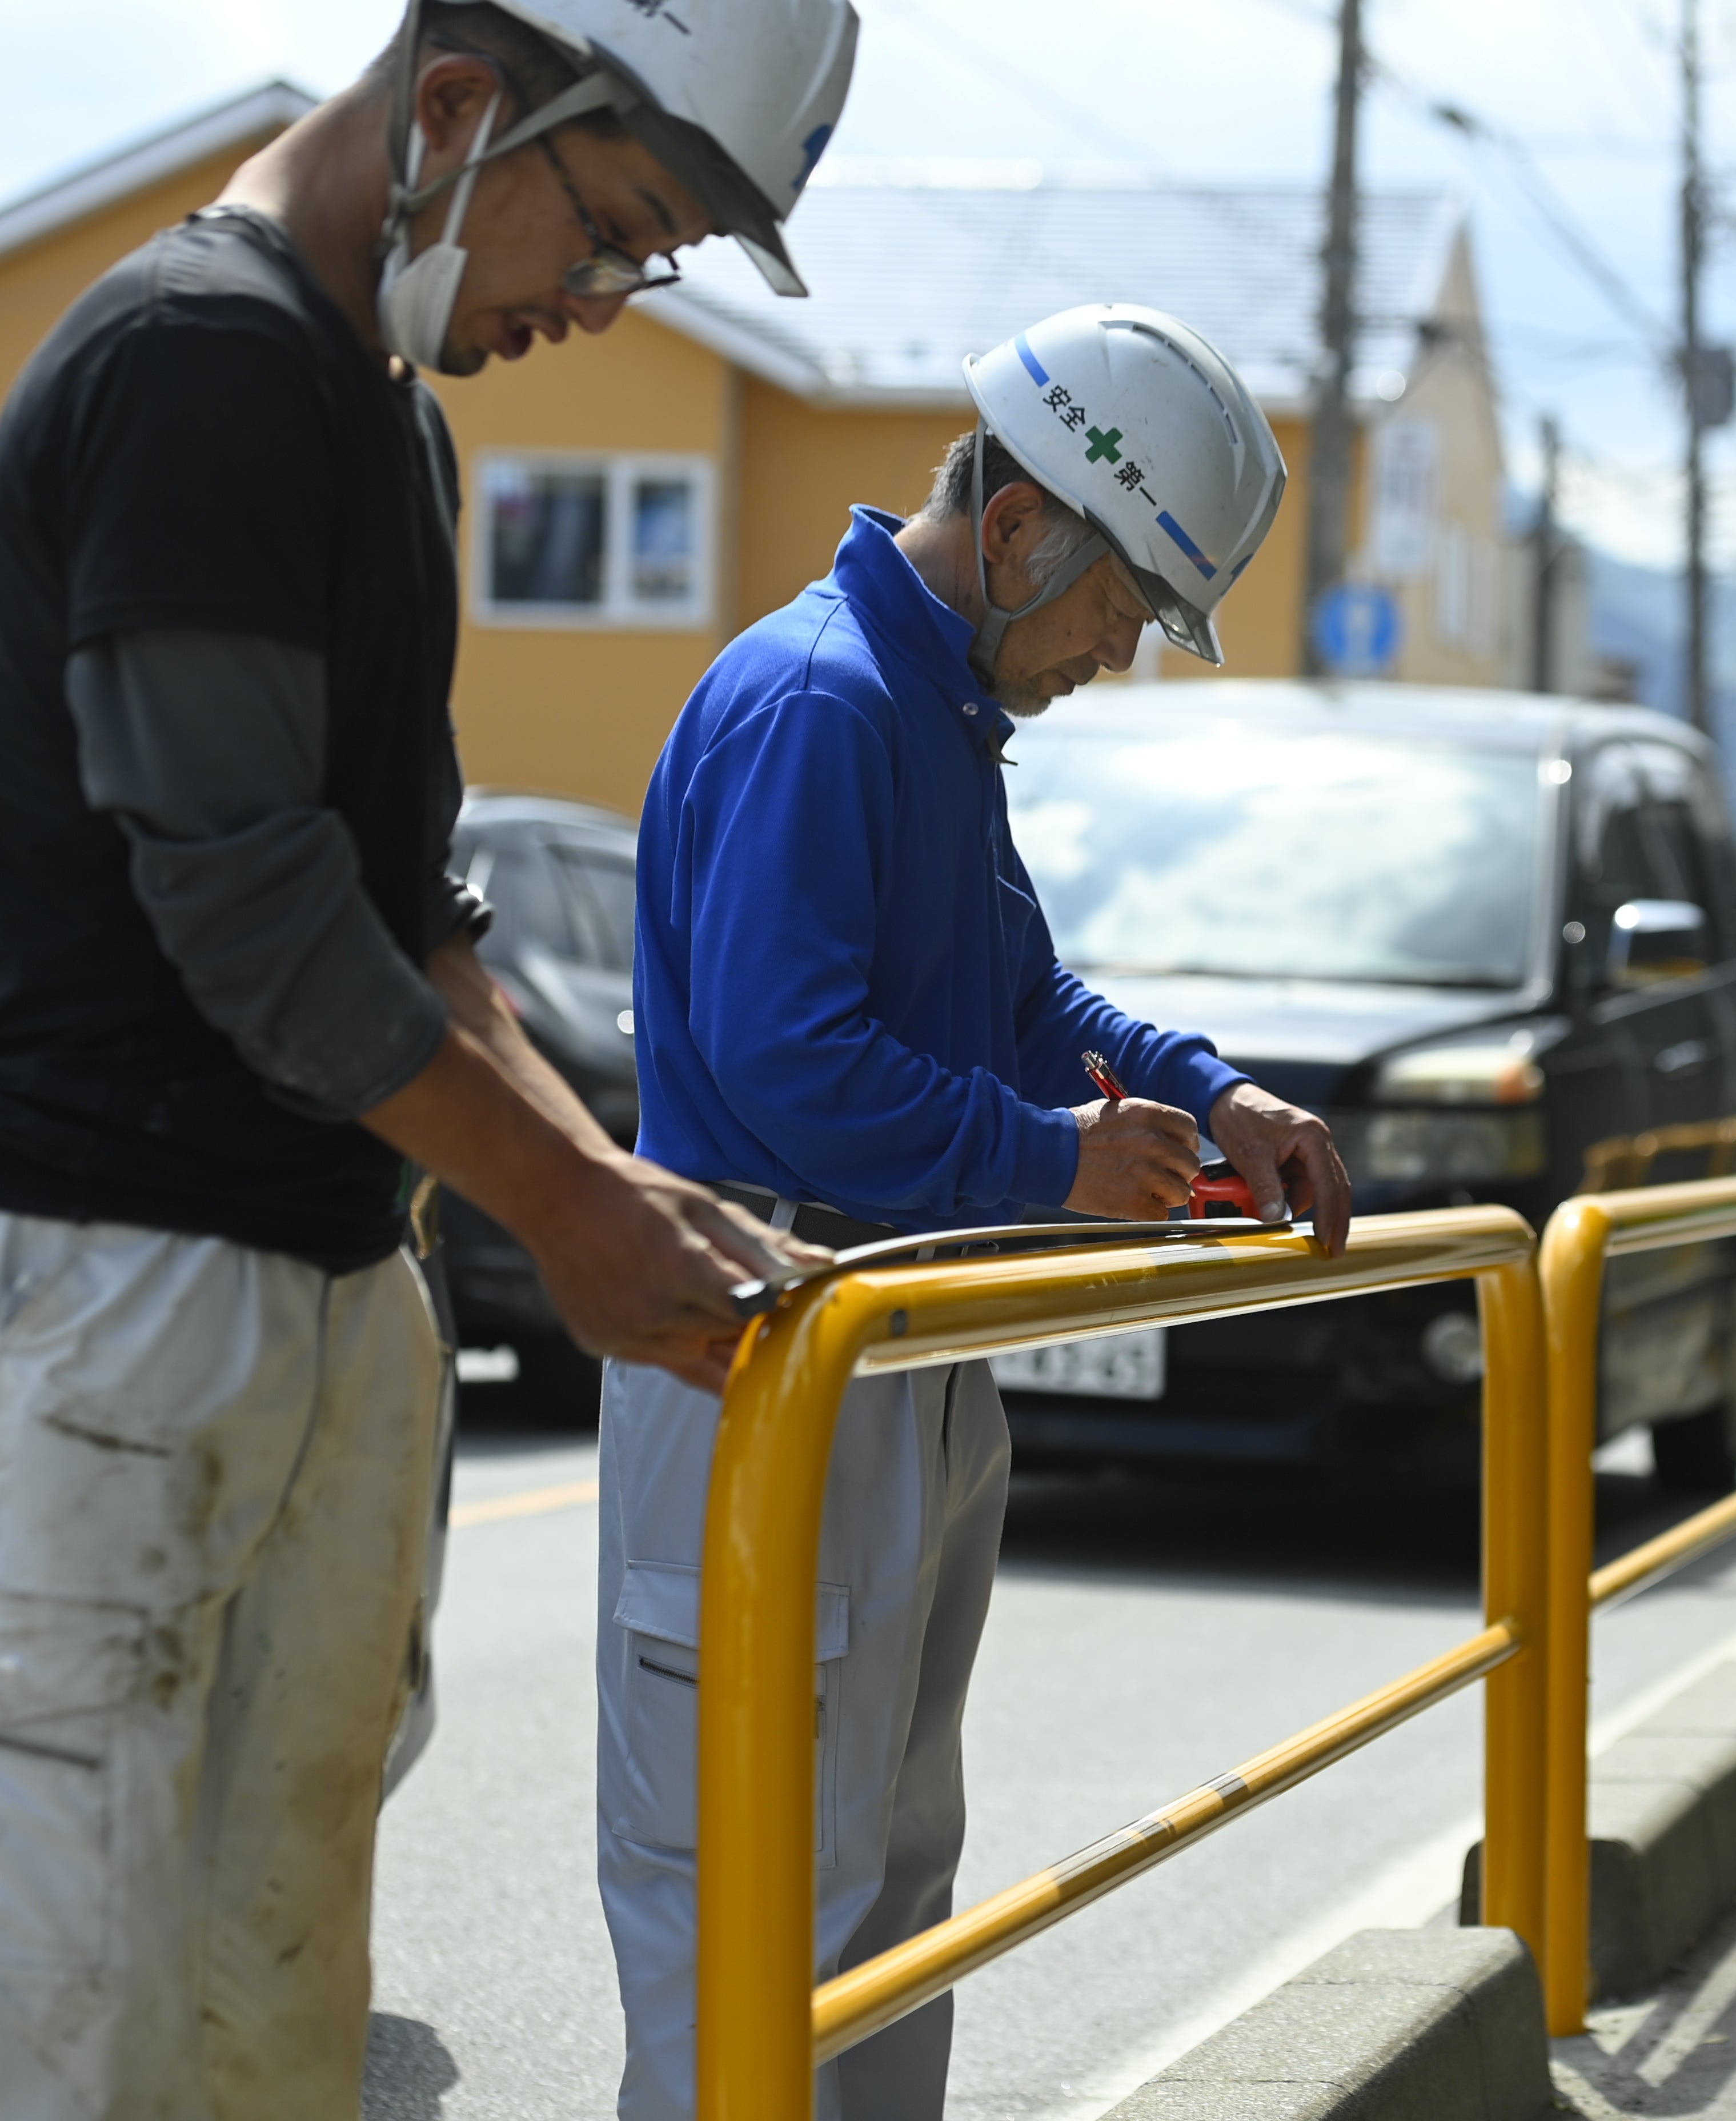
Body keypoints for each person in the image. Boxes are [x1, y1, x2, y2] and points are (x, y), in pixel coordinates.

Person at [0, 4, 857, 2113]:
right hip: (73, 1309)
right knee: (14, 2044)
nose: (599, 301)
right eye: (616, 232)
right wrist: (568, 1210)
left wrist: (621, 1181)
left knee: (257, 2036)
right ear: (463, 106)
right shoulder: (196, 359)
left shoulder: (386, 415)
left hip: (294, 1298)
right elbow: (249, 899)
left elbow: (414, 909)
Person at [600, 303, 1353, 2118]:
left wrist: (1204, 1088)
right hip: (778, 1332)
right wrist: (1050, 1163)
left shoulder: (924, 708)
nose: (1123, 649)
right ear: (1017, 529)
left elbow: (1022, 999)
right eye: (1123, 601)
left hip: (884, 1333)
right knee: (765, 1887)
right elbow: (791, 1065)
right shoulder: (824, 705)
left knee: (877, 1872)